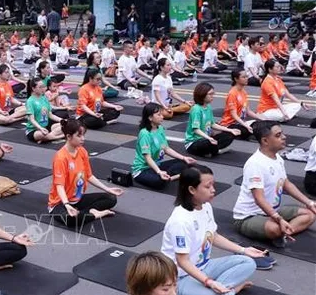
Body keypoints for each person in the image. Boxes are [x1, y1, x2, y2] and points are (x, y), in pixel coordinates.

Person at [160, 165, 264, 295]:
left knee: (248, 262)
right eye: (208, 187)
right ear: (192, 189)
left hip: (204, 267)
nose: (213, 190)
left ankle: (222, 290)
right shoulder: (180, 221)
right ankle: (229, 290)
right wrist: (209, 282)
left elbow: (213, 236)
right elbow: (183, 261)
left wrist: (243, 250)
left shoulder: (206, 207)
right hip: (181, 277)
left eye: (213, 185)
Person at [232, 121, 316, 248]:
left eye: (282, 133)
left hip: (272, 211)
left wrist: (309, 202)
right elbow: (259, 198)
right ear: (265, 141)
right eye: (278, 135)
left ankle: (284, 232)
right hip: (248, 217)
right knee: (275, 229)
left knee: (310, 214)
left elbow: (286, 183)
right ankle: (280, 231)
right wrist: (279, 219)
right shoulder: (255, 164)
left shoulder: (277, 158)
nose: (284, 137)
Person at [48, 118, 123, 227]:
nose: (83, 139)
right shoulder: (60, 157)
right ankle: (95, 214)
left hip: (77, 199)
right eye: (79, 136)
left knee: (111, 198)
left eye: (83, 135)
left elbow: (89, 175)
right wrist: (67, 204)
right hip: (60, 203)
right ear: (68, 137)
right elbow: (59, 186)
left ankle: (87, 212)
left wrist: (108, 189)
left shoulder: (82, 151)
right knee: (71, 219)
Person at [132, 103, 197, 190]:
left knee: (184, 163)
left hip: (157, 165)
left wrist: (183, 157)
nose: (162, 117)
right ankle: (172, 176)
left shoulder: (160, 128)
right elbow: (148, 158)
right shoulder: (145, 133)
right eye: (159, 115)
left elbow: (166, 148)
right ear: (150, 118)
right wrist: (159, 172)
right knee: (159, 182)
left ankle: (170, 176)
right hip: (142, 170)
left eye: (161, 114)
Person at [184, 83, 238, 157]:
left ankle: (212, 151)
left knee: (230, 135)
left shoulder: (208, 107)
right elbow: (196, 129)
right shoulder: (196, 109)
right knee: (208, 143)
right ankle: (217, 151)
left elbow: (212, 124)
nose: (213, 96)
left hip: (207, 138)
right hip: (194, 142)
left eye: (213, 94)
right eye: (210, 94)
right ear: (202, 95)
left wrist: (230, 130)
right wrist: (209, 138)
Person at [219, 69, 264, 140]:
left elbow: (248, 111)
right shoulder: (232, 93)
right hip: (230, 124)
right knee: (246, 130)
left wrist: (261, 118)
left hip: (241, 123)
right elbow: (234, 115)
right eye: (244, 77)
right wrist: (245, 125)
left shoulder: (244, 92)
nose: (247, 79)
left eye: (247, 76)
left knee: (262, 124)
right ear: (236, 79)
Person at [25, 77, 64, 143]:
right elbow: (32, 119)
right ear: (33, 88)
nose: (43, 89)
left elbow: (50, 115)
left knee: (66, 126)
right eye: (40, 87)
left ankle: (47, 138)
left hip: (46, 126)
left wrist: (62, 120)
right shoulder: (30, 101)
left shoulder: (44, 98)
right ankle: (59, 136)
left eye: (43, 86)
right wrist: (40, 128)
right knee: (41, 134)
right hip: (34, 130)